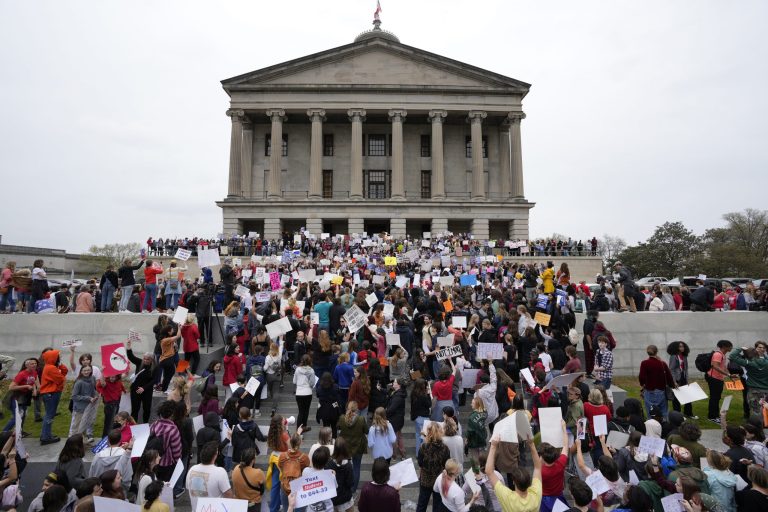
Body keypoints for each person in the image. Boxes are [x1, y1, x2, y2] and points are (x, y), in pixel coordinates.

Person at [485, 431, 543, 512]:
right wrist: (532, 444)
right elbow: (538, 468)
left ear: (514, 482)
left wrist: (493, 446)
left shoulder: (508, 497)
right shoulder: (535, 494)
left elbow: (489, 471)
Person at [186, 440, 234, 511]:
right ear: (215, 456)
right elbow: (229, 495)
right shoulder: (220, 472)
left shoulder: (191, 470)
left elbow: (189, 489)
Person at [417, 421, 451, 512]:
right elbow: (446, 465)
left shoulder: (423, 447)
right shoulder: (445, 448)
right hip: (439, 480)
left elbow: (420, 463)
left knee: (422, 505)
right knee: (437, 506)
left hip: (425, 481)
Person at [126, 339, 160, 423]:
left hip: (147, 390)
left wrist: (144, 388)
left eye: (147, 359)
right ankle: (134, 426)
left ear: (152, 360)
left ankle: (145, 424)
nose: (145, 360)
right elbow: (131, 357)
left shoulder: (156, 367)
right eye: (144, 358)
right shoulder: (140, 362)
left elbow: (155, 380)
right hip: (135, 389)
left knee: (147, 409)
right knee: (135, 409)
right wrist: (129, 347)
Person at [337, 400, 368, 492]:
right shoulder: (361, 419)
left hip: (346, 446)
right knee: (356, 467)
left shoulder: (342, 418)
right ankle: (353, 488)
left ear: (348, 408)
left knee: (345, 465)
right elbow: (366, 431)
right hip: (358, 446)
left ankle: (345, 484)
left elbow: (338, 427)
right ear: (357, 409)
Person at [539, 422, 569, 512]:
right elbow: (566, 445)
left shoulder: (541, 471)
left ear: (543, 458)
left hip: (545, 499)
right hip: (559, 496)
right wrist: (564, 428)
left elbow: (537, 465)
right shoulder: (561, 463)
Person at [638, 344, 674, 419]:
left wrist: (642, 384)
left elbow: (642, 377)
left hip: (650, 390)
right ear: (657, 352)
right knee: (663, 412)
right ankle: (664, 427)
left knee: (650, 412)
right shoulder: (662, 363)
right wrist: (672, 385)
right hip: (661, 390)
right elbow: (669, 377)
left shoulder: (644, 363)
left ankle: (652, 427)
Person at [150, 400, 182, 482]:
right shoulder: (173, 429)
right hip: (166, 464)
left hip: (153, 461)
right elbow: (176, 451)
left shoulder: (154, 424)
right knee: (165, 488)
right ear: (172, 414)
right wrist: (177, 462)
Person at [40, 349, 68, 445]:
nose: (59, 357)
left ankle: (46, 434)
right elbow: (61, 379)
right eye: (58, 356)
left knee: (49, 415)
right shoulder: (51, 368)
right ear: (53, 358)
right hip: (51, 393)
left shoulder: (50, 366)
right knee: (49, 415)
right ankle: (45, 437)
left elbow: (65, 371)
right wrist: (62, 378)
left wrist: (60, 364)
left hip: (51, 393)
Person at [706, 339, 734, 424]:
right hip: (714, 378)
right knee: (714, 397)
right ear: (724, 347)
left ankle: (715, 416)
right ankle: (712, 417)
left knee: (717, 397)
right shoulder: (718, 354)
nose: (731, 347)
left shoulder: (723, 355)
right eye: (730, 346)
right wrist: (728, 375)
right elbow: (715, 366)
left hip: (718, 379)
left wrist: (730, 375)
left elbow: (723, 367)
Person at [231, 447, 266, 512]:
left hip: (239, 503)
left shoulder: (236, 468)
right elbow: (263, 484)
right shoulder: (258, 472)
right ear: (253, 460)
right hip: (253, 505)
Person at [326, 437, 355, 512]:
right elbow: (350, 483)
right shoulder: (348, 465)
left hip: (334, 499)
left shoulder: (329, 463)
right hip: (346, 499)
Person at [70, 365, 98, 442]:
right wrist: (88, 398)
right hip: (79, 409)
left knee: (84, 427)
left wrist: (95, 395)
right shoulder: (79, 382)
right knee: (76, 428)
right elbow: (74, 396)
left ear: (91, 370)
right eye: (84, 370)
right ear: (81, 371)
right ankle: (72, 445)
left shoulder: (92, 378)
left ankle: (82, 443)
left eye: (88, 370)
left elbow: (93, 389)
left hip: (89, 408)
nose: (86, 372)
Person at [667, 341, 694, 418]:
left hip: (683, 377)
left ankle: (688, 413)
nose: (682, 348)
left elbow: (686, 368)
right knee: (676, 398)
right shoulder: (673, 356)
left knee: (687, 395)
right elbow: (671, 369)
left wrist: (687, 379)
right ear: (676, 348)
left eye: (683, 346)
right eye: (680, 346)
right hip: (676, 378)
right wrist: (674, 381)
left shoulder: (684, 356)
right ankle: (678, 415)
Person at [293, 354, 317, 432]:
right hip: (307, 392)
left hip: (299, 392)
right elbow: (312, 383)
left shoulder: (297, 369)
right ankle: (304, 426)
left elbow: (294, 381)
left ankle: (299, 429)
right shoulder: (311, 370)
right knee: (306, 411)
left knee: (300, 411)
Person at [386, 377, 407, 460]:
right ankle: (402, 453)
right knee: (399, 436)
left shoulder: (398, 397)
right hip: (399, 419)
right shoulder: (399, 393)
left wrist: (385, 412)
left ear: (399, 385)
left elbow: (391, 409)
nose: (393, 383)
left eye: (394, 382)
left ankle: (394, 454)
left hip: (394, 420)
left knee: (394, 438)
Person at [315, 371, 341, 438]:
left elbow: (318, 396)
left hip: (324, 410)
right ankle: (334, 439)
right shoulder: (335, 387)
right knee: (334, 427)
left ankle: (326, 440)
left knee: (326, 427)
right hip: (333, 409)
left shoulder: (320, 388)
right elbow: (337, 398)